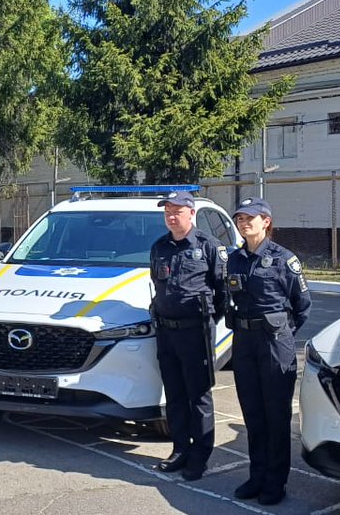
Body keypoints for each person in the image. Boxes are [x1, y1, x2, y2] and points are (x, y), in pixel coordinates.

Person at [226, 197, 312, 506]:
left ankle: (276, 481)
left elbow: (302, 306)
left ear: (266, 222)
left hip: (275, 343)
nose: (244, 222)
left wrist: (281, 335)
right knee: (252, 413)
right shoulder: (235, 259)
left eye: (251, 217)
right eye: (240, 218)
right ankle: (257, 475)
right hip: (245, 343)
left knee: (275, 414)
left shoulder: (283, 259)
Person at [148, 190, 227, 482]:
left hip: (196, 333)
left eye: (177, 211)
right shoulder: (159, 247)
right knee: (176, 395)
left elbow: (222, 292)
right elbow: (158, 286)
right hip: (166, 332)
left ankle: (200, 456)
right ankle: (180, 449)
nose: (171, 216)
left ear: (191, 213)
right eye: (167, 211)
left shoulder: (209, 246)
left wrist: (204, 322)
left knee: (199, 397)